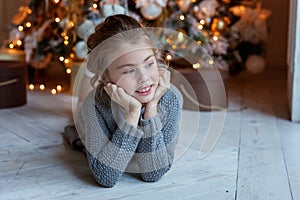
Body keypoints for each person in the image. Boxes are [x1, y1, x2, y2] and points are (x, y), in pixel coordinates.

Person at [72, 14, 183, 188]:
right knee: (77, 118)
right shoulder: (94, 105)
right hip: (87, 118)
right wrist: (132, 114)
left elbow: (154, 173)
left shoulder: (170, 98)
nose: (144, 78)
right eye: (129, 71)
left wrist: (151, 108)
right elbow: (105, 177)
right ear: (105, 77)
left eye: (149, 64)